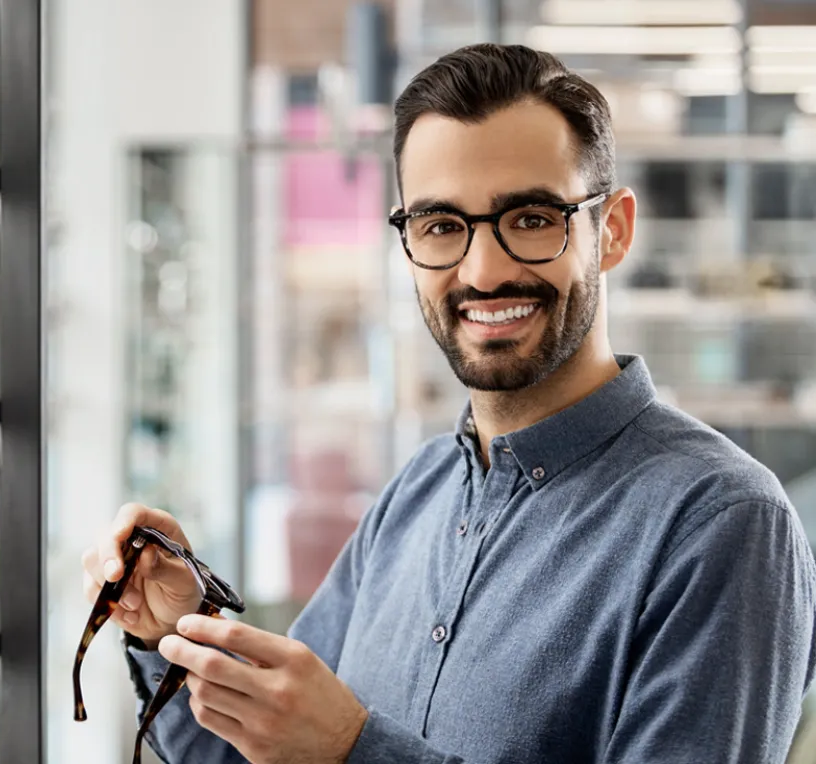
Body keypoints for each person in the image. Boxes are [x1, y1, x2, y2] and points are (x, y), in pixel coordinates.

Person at [81, 43, 816, 763]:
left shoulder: (724, 523)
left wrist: (352, 750)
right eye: (441, 226)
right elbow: (262, 754)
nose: (484, 270)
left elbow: (326, 748)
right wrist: (171, 632)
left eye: (531, 219)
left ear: (611, 230)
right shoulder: (418, 491)